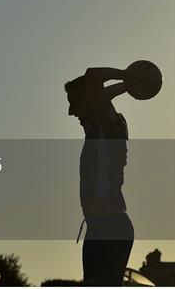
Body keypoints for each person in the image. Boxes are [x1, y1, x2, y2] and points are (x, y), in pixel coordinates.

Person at [65, 67, 135, 286]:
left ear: (90, 99)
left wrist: (127, 75)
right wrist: (127, 85)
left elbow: (92, 75)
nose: (71, 110)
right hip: (101, 226)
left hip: (110, 227)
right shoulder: (99, 123)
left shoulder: (106, 124)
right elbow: (104, 94)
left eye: (74, 102)